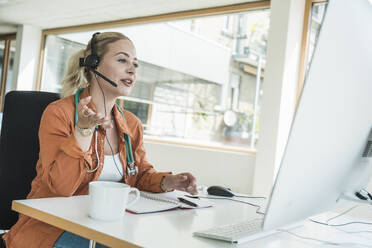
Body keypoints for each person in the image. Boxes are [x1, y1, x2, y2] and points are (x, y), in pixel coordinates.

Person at [3, 32, 198, 248]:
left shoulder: (131, 124)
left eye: (135, 63)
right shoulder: (60, 113)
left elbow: (140, 175)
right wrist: (82, 131)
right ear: (93, 64)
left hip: (107, 226)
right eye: (122, 60)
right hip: (53, 228)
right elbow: (61, 188)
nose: (132, 69)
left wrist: (168, 181)